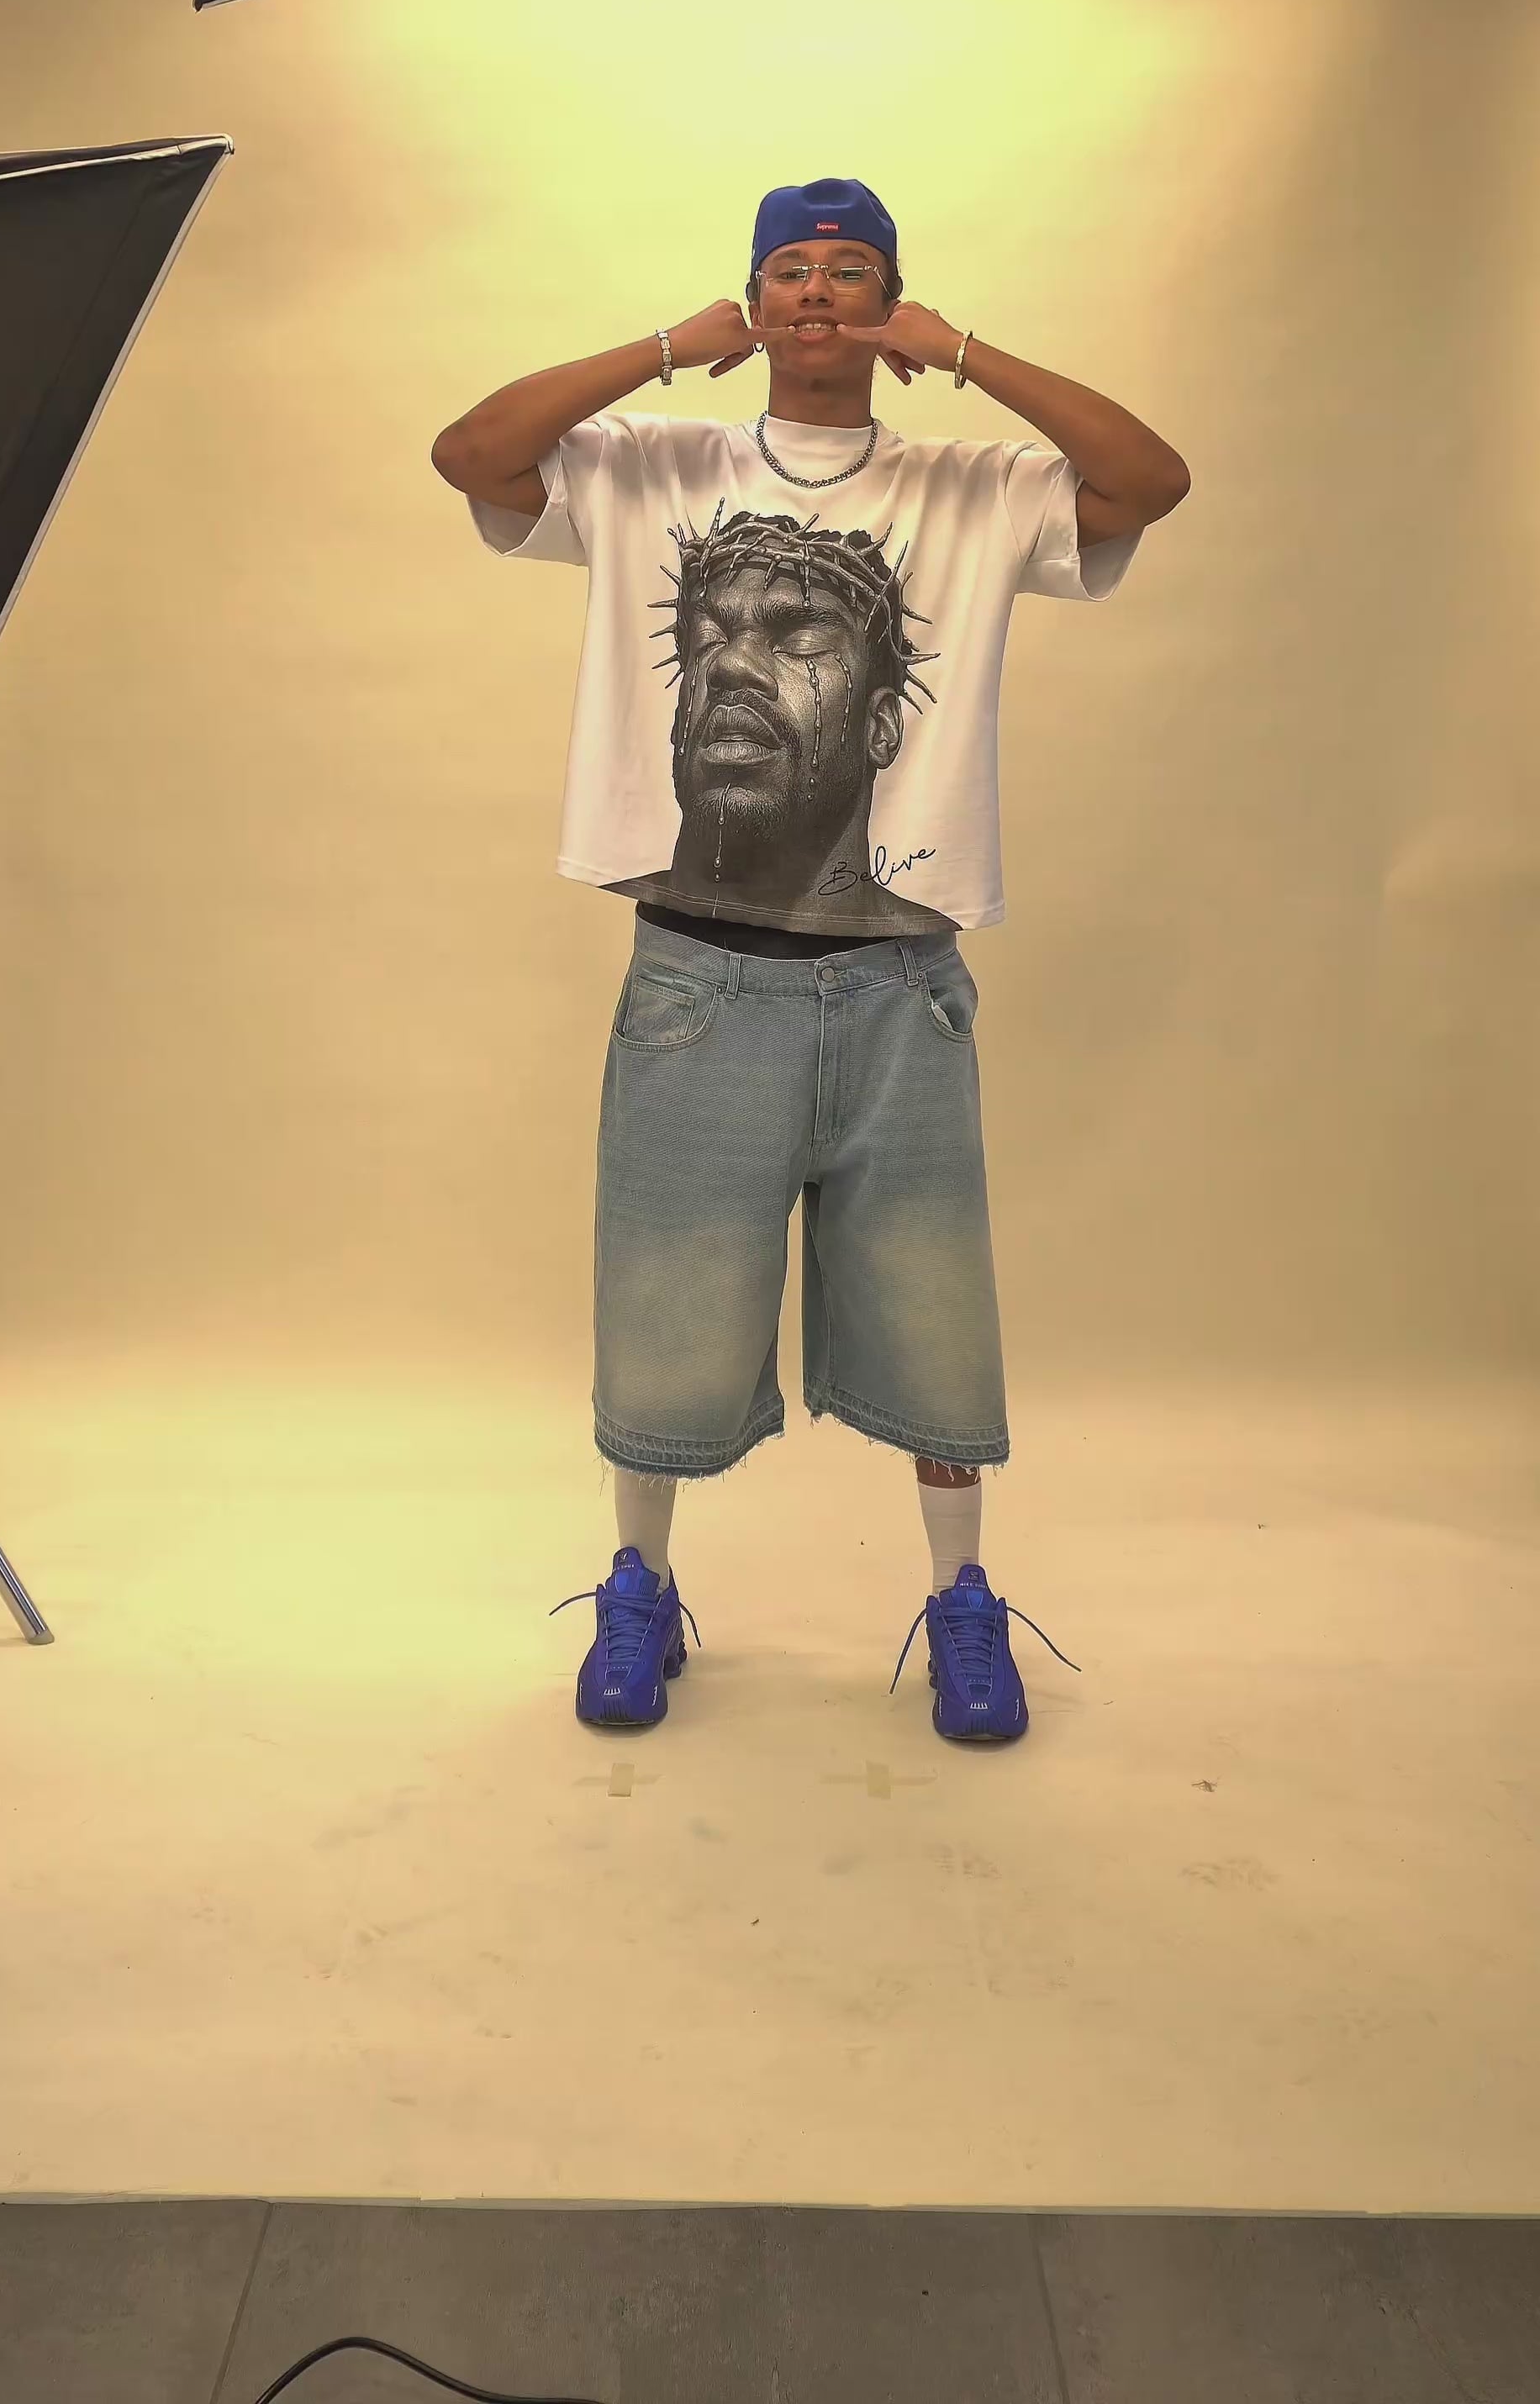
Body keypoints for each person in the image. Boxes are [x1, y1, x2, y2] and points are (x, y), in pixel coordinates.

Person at [431, 177, 1189, 1744]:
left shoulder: (972, 491)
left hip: (902, 988)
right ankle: (638, 1589)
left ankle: (962, 1599)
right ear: (754, 302)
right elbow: (473, 455)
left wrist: (966, 355)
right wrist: (663, 347)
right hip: (695, 987)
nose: (819, 292)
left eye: (852, 271)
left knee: (937, 1322)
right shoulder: (653, 465)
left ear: (893, 307)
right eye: (791, 269)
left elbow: (1148, 480)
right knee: (663, 1312)